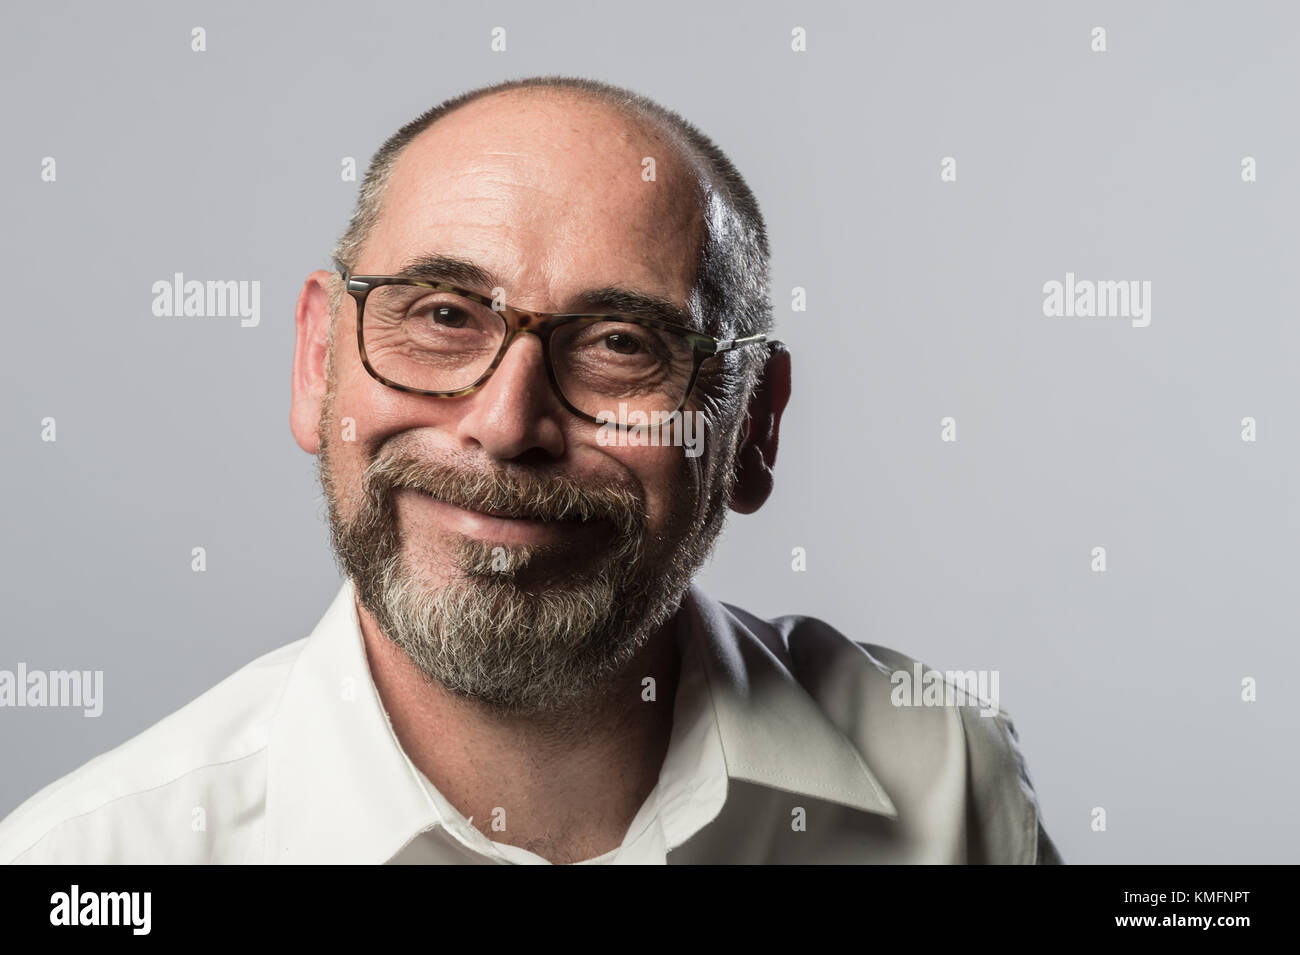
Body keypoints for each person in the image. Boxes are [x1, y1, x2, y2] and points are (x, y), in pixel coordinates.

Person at [0, 75, 1061, 864]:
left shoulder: (942, 782)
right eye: (443, 316)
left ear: (752, 429)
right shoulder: (92, 863)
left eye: (619, 344)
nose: (507, 425)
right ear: (318, 363)